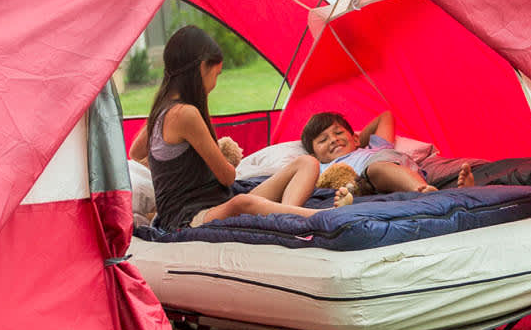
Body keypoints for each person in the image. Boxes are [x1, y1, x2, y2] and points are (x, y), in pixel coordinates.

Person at [129, 26, 319, 228]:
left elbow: (135, 152)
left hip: (217, 201)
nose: (215, 84)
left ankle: (286, 216)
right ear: (203, 67)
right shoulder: (184, 114)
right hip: (189, 217)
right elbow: (227, 176)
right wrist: (221, 155)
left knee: (307, 163)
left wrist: (175, 162)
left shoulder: (161, 108)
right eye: (217, 74)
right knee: (243, 202)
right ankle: (318, 216)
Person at [299, 109, 471, 196]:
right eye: (322, 140)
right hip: (369, 182)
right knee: (375, 171)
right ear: (314, 156)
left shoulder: (373, 148)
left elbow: (386, 116)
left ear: (356, 139)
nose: (333, 140)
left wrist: (355, 139)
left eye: (338, 133)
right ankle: (459, 193)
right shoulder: (319, 168)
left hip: (389, 164)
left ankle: (425, 191)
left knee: (377, 167)